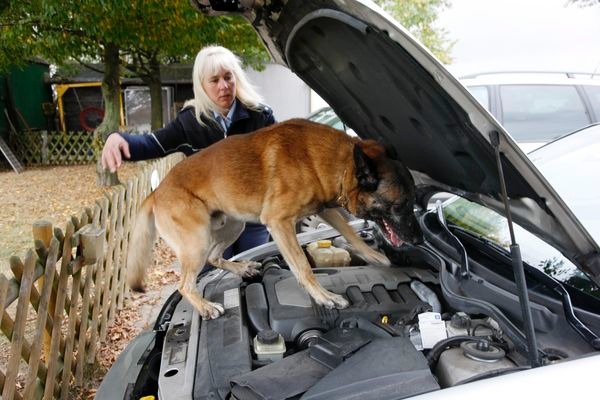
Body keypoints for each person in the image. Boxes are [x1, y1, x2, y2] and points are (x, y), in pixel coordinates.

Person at [101, 45, 275, 261]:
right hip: (212, 221)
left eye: (228, 77)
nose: (223, 86)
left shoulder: (260, 116)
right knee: (214, 281)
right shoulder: (189, 122)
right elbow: (152, 143)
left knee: (255, 270)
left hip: (253, 219)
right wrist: (117, 139)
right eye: (214, 80)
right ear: (202, 85)